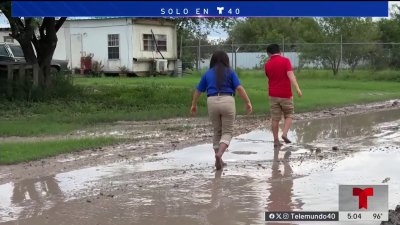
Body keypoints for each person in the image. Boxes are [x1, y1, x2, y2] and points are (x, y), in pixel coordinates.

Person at [191, 50, 253, 170]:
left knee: (217, 130)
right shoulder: (230, 72)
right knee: (227, 132)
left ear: (212, 60)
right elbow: (239, 88)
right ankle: (220, 154)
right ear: (226, 60)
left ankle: (218, 157)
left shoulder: (207, 73)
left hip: (212, 101)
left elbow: (198, 90)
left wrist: (194, 104)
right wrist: (248, 102)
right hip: (227, 100)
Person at [264, 44, 302, 147]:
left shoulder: (267, 64)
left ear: (268, 53)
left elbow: (269, 77)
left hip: (273, 94)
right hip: (285, 94)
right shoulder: (285, 61)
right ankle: (284, 134)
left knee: (275, 118)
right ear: (279, 51)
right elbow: (290, 74)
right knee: (289, 115)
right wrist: (297, 88)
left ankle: (276, 141)